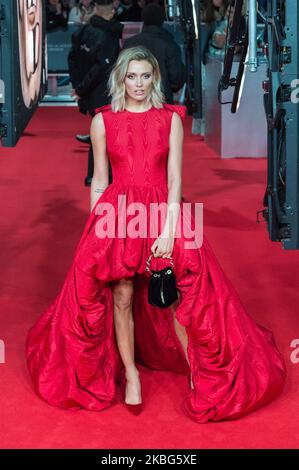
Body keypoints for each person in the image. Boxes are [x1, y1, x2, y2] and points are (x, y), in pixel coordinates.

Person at [26, 45, 286, 422]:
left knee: (185, 294)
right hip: (118, 213)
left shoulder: (171, 119)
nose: (138, 84)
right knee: (122, 295)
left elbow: (176, 178)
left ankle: (198, 370)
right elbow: (99, 181)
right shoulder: (103, 121)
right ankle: (131, 374)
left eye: (145, 76)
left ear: (155, 79)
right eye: (131, 76)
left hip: (165, 210)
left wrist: (167, 230)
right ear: (121, 78)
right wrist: (100, 228)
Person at [68, 0, 123, 186]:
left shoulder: (82, 32)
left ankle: (96, 174)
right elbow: (101, 67)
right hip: (103, 92)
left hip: (91, 92)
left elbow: (73, 60)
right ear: (113, 11)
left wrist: (79, 87)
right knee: (106, 134)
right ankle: (101, 175)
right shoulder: (108, 35)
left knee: (100, 133)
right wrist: (82, 87)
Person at [122, 3, 186, 104]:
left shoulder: (130, 43)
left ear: (143, 19)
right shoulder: (170, 45)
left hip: (133, 100)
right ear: (162, 20)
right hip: (161, 100)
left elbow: (121, 74)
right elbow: (176, 79)